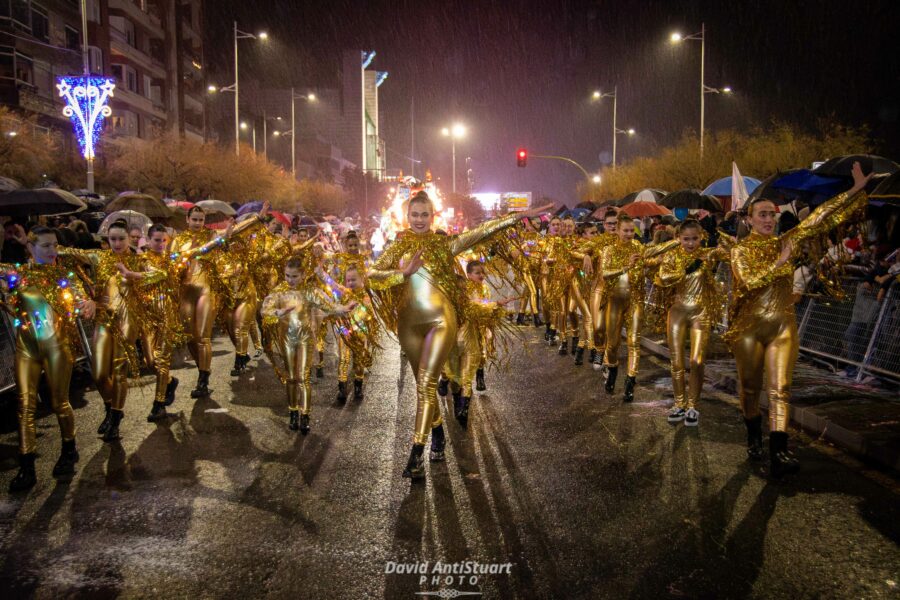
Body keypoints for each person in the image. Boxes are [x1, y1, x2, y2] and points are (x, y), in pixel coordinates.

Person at [368, 191, 551, 481]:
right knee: (422, 385)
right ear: (407, 216)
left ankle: (416, 451)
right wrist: (401, 274)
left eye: (424, 215)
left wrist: (518, 217)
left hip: (441, 321)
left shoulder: (444, 244)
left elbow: (481, 232)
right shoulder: (398, 246)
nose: (419, 220)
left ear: (432, 217)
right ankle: (437, 430)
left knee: (426, 384)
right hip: (408, 325)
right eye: (414, 214)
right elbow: (372, 276)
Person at [727, 162, 871, 477]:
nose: (768, 219)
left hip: (782, 326)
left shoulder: (788, 240)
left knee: (780, 389)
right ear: (750, 219)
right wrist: (781, 262)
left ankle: (779, 450)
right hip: (748, 330)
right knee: (751, 389)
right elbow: (749, 282)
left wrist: (855, 189)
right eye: (762, 214)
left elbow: (821, 218)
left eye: (772, 214)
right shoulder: (740, 252)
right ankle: (754, 436)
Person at [1, 226, 96, 491]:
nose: (53, 251)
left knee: (59, 402)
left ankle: (69, 448)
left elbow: (80, 297)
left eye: (55, 245)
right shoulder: (17, 274)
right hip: (27, 348)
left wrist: (88, 304)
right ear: (30, 248)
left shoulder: (64, 275)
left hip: (57, 347)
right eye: (45, 246)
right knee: (25, 406)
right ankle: (27, 465)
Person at [169, 204, 266, 397]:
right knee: (190, 337)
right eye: (194, 219)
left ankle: (203, 380)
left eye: (201, 220)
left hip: (207, 291)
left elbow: (235, 231)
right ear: (187, 220)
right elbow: (171, 262)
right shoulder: (178, 240)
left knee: (202, 336)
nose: (197, 223)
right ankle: (202, 368)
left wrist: (258, 219)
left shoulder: (212, 236)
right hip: (185, 292)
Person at [261, 257, 355, 433]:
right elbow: (265, 311)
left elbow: (329, 306)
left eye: (295, 276)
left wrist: (344, 308)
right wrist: (277, 312)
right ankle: (293, 411)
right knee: (291, 377)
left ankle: (305, 415)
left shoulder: (310, 291)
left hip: (305, 338)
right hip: (286, 339)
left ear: (303, 275)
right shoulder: (279, 292)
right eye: (287, 275)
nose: (290, 279)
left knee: (304, 377)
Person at [655, 220, 728, 427]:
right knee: (677, 362)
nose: (690, 243)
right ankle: (679, 403)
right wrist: (683, 269)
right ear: (678, 238)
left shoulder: (707, 254)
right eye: (686, 239)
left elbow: (730, 255)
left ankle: (693, 406)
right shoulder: (671, 256)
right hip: (677, 312)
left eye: (694, 238)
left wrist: (729, 245)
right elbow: (662, 278)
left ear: (701, 237)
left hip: (701, 313)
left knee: (697, 361)